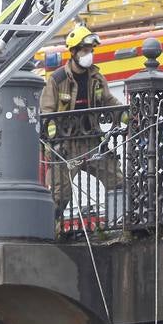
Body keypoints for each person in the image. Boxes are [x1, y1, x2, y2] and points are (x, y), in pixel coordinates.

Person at [40, 24, 124, 221]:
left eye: (91, 51)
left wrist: (129, 115)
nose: (89, 54)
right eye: (85, 50)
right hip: (66, 146)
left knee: (117, 179)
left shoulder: (96, 77)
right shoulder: (58, 79)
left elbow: (109, 101)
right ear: (74, 52)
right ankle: (53, 233)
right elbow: (47, 113)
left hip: (92, 141)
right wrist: (53, 145)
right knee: (59, 194)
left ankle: (120, 221)